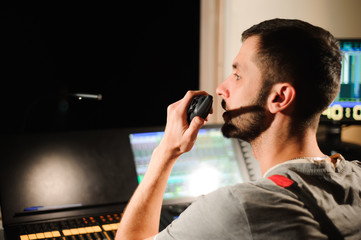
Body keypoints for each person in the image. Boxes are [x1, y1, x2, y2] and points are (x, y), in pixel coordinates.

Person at [116, 18, 361, 239]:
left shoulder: (241, 206)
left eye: (237, 75)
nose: (222, 88)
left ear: (279, 97)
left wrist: (166, 152)